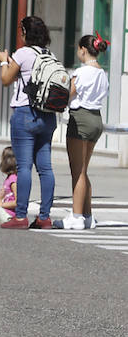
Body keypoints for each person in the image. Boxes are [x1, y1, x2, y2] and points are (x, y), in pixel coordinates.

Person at [0, 15, 58, 230]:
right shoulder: (49, 54)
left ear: (25, 33)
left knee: (24, 167)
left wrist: (3, 61)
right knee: (45, 169)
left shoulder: (22, 53)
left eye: (22, 31)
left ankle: (20, 217)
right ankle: (45, 217)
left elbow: (6, 79)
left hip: (25, 114)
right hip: (47, 116)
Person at [60, 32, 110, 230]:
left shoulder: (80, 73)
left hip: (80, 118)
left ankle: (77, 216)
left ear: (83, 50)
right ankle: (87, 215)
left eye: (78, 49)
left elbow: (68, 95)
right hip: (96, 118)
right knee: (84, 170)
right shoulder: (101, 73)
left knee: (77, 171)